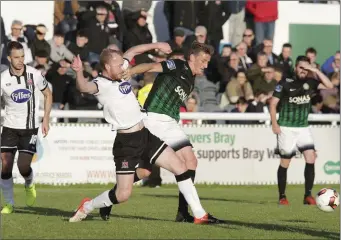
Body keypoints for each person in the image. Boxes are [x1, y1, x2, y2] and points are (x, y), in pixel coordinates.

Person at [69, 43, 215, 224]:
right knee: (124, 194)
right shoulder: (101, 84)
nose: (123, 66)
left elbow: (133, 51)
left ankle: (199, 215)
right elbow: (84, 87)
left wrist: (157, 45)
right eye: (118, 64)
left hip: (146, 134)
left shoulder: (121, 71)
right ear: (107, 67)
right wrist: (78, 72)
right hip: (127, 141)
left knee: (181, 166)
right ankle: (89, 205)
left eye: (123, 63)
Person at [269, 56, 333, 206]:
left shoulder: (311, 83)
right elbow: (273, 104)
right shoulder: (284, 83)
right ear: (295, 68)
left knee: (310, 157)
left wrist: (315, 70)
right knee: (285, 161)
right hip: (286, 127)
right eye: (300, 67)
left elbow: (329, 85)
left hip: (303, 127)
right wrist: (274, 123)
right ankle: (282, 197)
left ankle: (307, 195)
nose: (303, 70)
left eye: (306, 68)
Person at [0, 41, 52, 214]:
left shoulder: (34, 74)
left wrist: (45, 118)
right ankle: (9, 203)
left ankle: (29, 184)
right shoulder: (3, 79)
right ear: (9, 58)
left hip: (29, 129)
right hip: (9, 127)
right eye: (16, 57)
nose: (20, 60)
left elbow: (47, 94)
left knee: (23, 166)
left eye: (22, 56)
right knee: (6, 164)